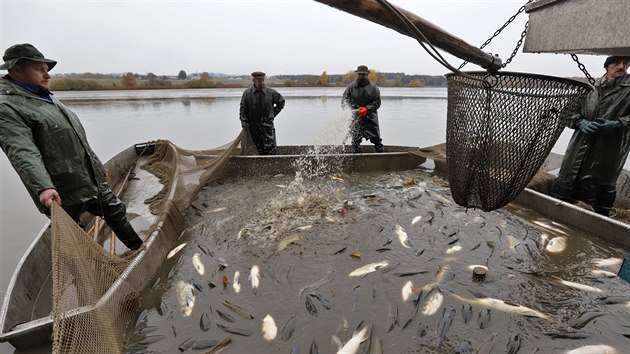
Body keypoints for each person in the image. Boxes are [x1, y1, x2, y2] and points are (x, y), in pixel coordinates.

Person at [0, 43, 143, 250]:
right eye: (39, 69)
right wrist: (43, 187)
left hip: (88, 179)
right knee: (75, 237)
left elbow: (76, 137)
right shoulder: (6, 106)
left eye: (47, 69)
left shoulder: (46, 97)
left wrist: (95, 165)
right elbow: (22, 151)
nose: (47, 74)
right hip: (60, 191)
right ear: (17, 69)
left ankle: (138, 249)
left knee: (115, 211)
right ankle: (93, 273)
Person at [551, 55, 630, 217]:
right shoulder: (589, 87)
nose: (622, 66)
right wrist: (580, 122)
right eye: (617, 62)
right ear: (607, 66)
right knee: (557, 206)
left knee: (593, 215)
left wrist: (619, 124)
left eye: (626, 63)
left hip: (605, 166)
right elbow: (567, 114)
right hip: (572, 163)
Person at [239, 71, 285, 155]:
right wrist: (244, 121)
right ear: (254, 80)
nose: (262, 82)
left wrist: (272, 114)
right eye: (259, 80)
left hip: (267, 128)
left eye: (263, 80)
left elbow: (281, 103)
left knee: (270, 150)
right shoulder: (247, 93)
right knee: (253, 150)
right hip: (252, 129)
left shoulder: (271, 93)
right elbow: (243, 109)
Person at [342, 65, 383, 153]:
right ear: (357, 74)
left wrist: (367, 109)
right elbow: (344, 100)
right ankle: (355, 156)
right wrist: (353, 109)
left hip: (370, 117)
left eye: (363, 74)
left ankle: (381, 155)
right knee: (355, 139)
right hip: (356, 116)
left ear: (367, 74)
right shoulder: (350, 87)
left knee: (376, 139)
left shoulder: (374, 88)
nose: (361, 76)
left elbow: (377, 102)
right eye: (359, 74)